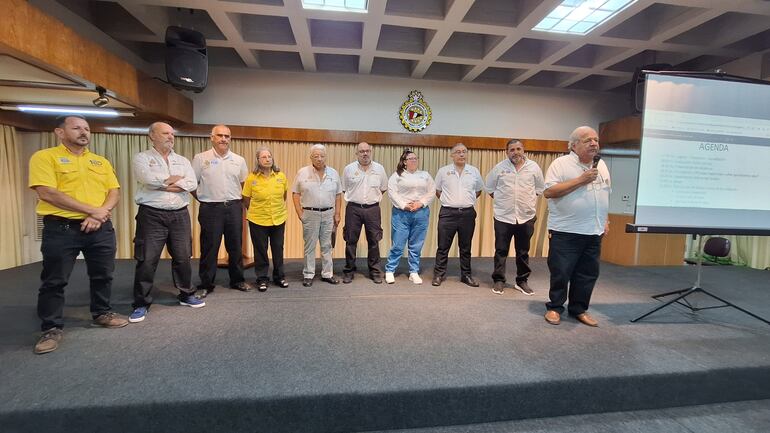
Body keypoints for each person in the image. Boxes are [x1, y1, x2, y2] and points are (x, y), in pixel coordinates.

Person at [28, 115, 128, 354]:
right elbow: (47, 193)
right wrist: (92, 211)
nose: (83, 132)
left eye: (86, 128)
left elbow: (114, 191)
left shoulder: (99, 161)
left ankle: (102, 312)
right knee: (55, 280)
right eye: (76, 128)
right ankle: (51, 328)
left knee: (103, 274)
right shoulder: (44, 157)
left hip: (100, 228)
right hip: (61, 229)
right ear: (60, 132)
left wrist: (99, 214)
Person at [129, 122, 203, 323]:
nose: (171, 137)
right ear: (152, 135)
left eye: (172, 134)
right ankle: (141, 303)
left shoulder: (182, 160)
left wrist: (164, 183)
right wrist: (173, 181)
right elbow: (147, 179)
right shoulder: (142, 158)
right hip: (152, 215)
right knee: (147, 259)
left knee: (183, 257)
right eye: (165, 133)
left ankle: (186, 294)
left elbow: (191, 183)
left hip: (179, 214)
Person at [543, 126, 610, 327]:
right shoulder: (560, 164)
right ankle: (555, 308)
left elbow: (605, 194)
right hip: (566, 231)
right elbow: (549, 192)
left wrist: (605, 219)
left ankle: (579, 309)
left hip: (593, 231)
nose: (594, 143)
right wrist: (581, 180)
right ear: (573, 145)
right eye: (587, 140)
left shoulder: (602, 165)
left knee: (588, 273)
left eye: (596, 140)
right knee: (561, 272)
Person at [191, 124, 250, 298]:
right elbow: (192, 184)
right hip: (211, 208)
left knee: (235, 247)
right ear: (212, 137)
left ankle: (237, 280)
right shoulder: (201, 158)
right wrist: (202, 198)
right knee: (209, 247)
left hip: (233, 207)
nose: (224, 139)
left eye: (227, 136)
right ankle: (206, 284)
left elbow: (244, 185)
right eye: (220, 135)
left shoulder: (239, 160)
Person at [486, 139, 545, 295]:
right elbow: (490, 189)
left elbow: (539, 189)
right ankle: (499, 280)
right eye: (512, 149)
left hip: (526, 217)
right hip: (503, 217)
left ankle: (522, 281)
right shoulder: (499, 168)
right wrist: (504, 202)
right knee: (501, 250)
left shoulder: (534, 168)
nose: (516, 152)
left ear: (523, 150)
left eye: (518, 149)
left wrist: (525, 202)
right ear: (507, 152)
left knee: (523, 251)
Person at [431, 143, 484, 287]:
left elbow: (478, 190)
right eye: (458, 152)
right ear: (452, 155)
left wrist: (466, 200)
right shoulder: (443, 171)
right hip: (448, 213)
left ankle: (466, 275)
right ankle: (439, 275)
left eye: (464, 152)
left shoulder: (474, 171)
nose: (461, 154)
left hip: (467, 213)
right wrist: (448, 201)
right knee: (443, 246)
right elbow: (437, 190)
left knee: (465, 247)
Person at [292, 144, 342, 287]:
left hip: (328, 214)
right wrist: (299, 213)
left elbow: (338, 195)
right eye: (316, 156)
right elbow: (295, 193)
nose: (319, 159)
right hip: (310, 214)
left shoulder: (334, 173)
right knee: (310, 246)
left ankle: (327, 274)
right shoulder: (302, 172)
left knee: (327, 245)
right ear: (311, 157)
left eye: (322, 156)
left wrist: (337, 214)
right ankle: (308, 274)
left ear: (325, 157)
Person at [385, 149, 435, 284]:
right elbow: (392, 193)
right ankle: (390, 270)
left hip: (421, 213)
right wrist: (404, 205)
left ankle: (413, 271)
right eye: (410, 159)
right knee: (398, 244)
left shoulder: (425, 175)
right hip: (401, 213)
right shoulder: (397, 176)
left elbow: (432, 191)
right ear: (404, 162)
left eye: (415, 158)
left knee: (416, 244)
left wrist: (421, 203)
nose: (413, 161)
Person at [341, 142, 388, 284]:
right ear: (357, 153)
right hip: (353, 209)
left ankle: (374, 271)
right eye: (361, 151)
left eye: (367, 151)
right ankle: (349, 270)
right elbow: (344, 189)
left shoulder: (379, 169)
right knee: (350, 240)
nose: (365, 153)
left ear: (371, 152)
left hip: (373, 209)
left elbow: (383, 188)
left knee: (374, 241)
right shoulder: (349, 169)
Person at [242, 148, 289, 291]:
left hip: (278, 219)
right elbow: (246, 199)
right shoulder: (252, 178)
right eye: (263, 157)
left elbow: (284, 196)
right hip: (258, 220)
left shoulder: (281, 176)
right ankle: (262, 278)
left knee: (278, 249)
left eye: (269, 156)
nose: (267, 159)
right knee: (261, 250)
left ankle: (279, 276)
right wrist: (257, 211)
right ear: (258, 161)